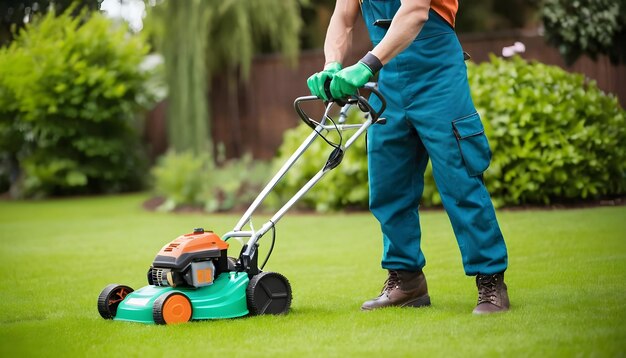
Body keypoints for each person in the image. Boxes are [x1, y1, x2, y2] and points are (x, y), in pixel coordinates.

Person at [307, 0, 510, 314]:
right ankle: (407, 281)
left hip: (438, 77)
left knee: (460, 181)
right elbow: (343, 18)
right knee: (389, 186)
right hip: (390, 81)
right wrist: (332, 64)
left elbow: (415, 12)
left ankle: (491, 280)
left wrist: (364, 66)